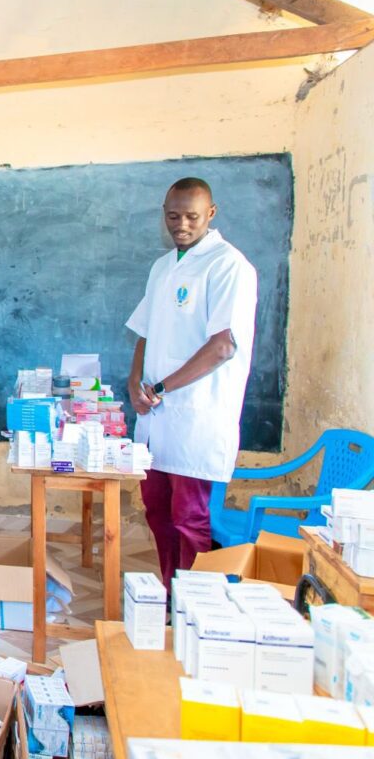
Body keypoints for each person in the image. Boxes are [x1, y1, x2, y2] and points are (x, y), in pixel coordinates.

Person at [126, 177, 258, 589]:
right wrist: (134, 383)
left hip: (197, 416)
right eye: (173, 216)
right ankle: (169, 592)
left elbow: (223, 345)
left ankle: (195, 605)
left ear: (211, 214)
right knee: (157, 511)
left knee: (190, 518)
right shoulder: (163, 267)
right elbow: (145, 331)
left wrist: (160, 387)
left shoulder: (227, 265)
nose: (181, 224)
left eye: (192, 216)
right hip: (156, 415)